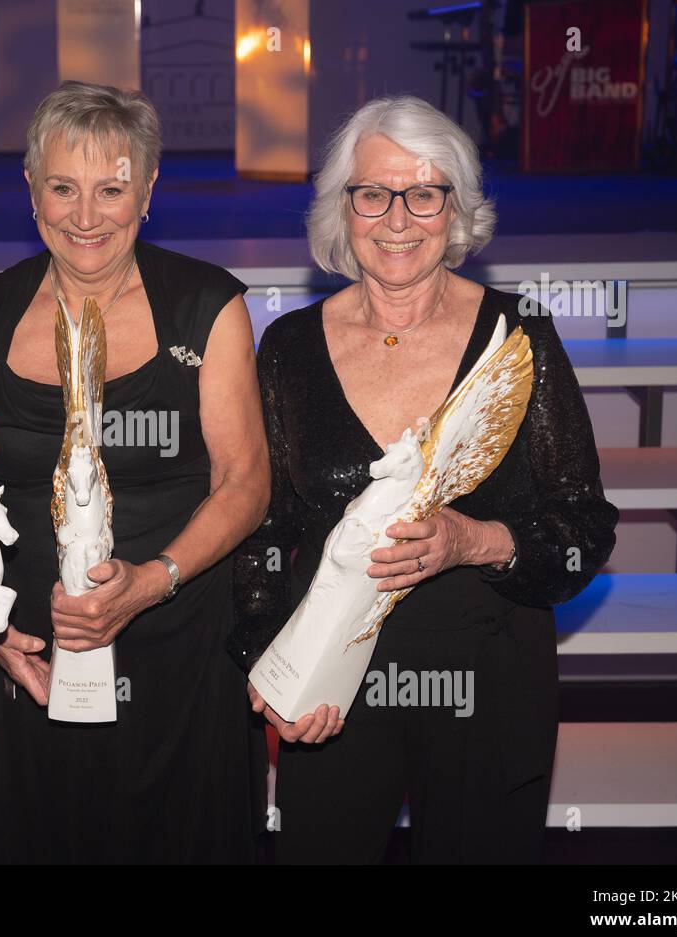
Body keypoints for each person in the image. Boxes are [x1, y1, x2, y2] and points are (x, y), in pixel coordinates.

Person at [231, 95, 619, 863]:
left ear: (457, 208)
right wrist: (267, 658)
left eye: (425, 192)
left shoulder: (520, 336)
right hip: (335, 687)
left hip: (490, 677)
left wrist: (473, 540)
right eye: (373, 193)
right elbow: (263, 530)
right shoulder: (289, 347)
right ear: (344, 208)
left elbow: (583, 526)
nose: (398, 218)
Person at [0, 81, 270, 863]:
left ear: (148, 191)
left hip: (181, 649)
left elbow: (247, 484)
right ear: (31, 190)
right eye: (62, 187)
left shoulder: (206, 305)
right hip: (36, 661)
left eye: (111, 189)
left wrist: (153, 580)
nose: (85, 216)